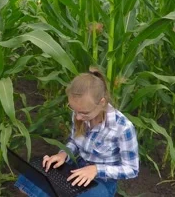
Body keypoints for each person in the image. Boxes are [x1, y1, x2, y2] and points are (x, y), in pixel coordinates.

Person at [15, 68, 139, 197]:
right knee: (31, 178)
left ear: (101, 103)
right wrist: (63, 154)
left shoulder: (122, 128)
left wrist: (96, 170)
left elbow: (131, 169)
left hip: (102, 180)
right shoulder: (80, 111)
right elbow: (74, 141)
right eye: (75, 110)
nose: (78, 117)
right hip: (75, 167)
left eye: (84, 113)